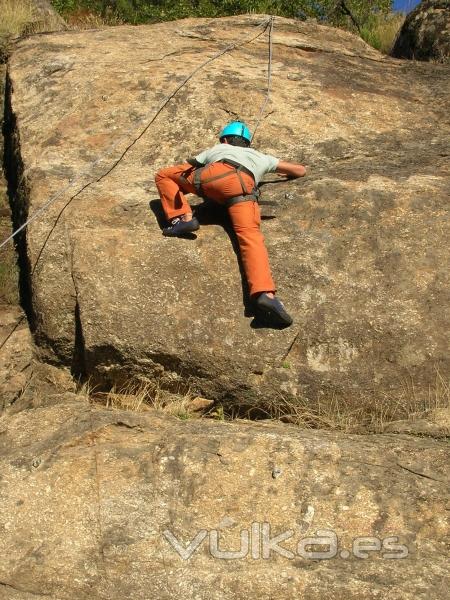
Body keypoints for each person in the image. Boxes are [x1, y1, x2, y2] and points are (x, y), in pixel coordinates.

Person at [154, 121, 306, 327]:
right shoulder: (261, 157)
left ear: (225, 139)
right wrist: (281, 172)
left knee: (164, 175)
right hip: (243, 188)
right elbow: (300, 170)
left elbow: (193, 164)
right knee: (251, 239)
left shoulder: (220, 148)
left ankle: (182, 218)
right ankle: (265, 294)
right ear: (247, 144)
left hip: (212, 177)